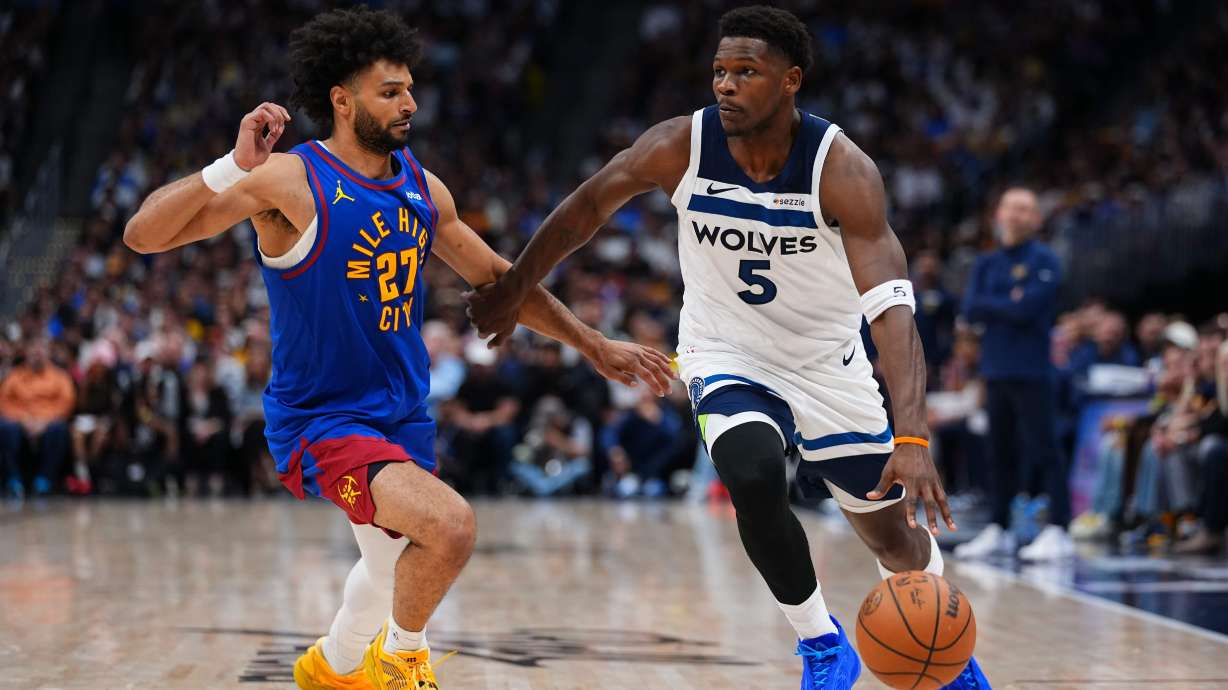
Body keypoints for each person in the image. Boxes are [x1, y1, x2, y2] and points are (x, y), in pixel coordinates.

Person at [122, 7, 673, 689]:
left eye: (410, 88)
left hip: (402, 413)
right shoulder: (290, 181)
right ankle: (403, 664)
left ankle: (335, 666)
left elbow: (502, 281)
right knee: (450, 528)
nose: (410, 102)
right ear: (342, 101)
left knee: (390, 568)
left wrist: (594, 345)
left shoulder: (420, 186)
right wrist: (231, 167)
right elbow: (143, 236)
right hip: (324, 418)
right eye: (391, 91)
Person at [465, 7, 987, 689]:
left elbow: (891, 310)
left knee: (893, 540)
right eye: (720, 71)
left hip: (828, 364)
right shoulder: (681, 145)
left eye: (747, 72)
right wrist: (515, 285)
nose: (726, 85)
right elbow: (587, 208)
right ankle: (822, 644)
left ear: (791, 81)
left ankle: (943, 647)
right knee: (751, 473)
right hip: (726, 353)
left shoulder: (842, 170)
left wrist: (912, 438)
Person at [957, 187, 1074, 561]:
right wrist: (1010, 300)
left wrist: (1002, 306)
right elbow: (971, 308)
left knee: (1045, 449)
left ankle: (1059, 529)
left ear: (1037, 219)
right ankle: (999, 528)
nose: (1017, 215)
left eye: (1026, 209)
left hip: (1033, 370)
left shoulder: (1046, 259)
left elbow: (1027, 310)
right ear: (999, 214)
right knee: (998, 451)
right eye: (1011, 207)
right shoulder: (986, 263)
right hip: (996, 369)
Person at [0, 339, 76, 498]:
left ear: (47, 354)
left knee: (58, 429)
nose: (37, 355)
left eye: (40, 351)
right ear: (27, 354)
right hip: (20, 422)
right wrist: (23, 420)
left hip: (47, 422)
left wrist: (44, 422)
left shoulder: (59, 377)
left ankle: (45, 479)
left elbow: (66, 402)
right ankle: (13, 479)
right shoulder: (15, 377)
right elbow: (4, 402)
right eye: (33, 352)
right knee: (5, 428)